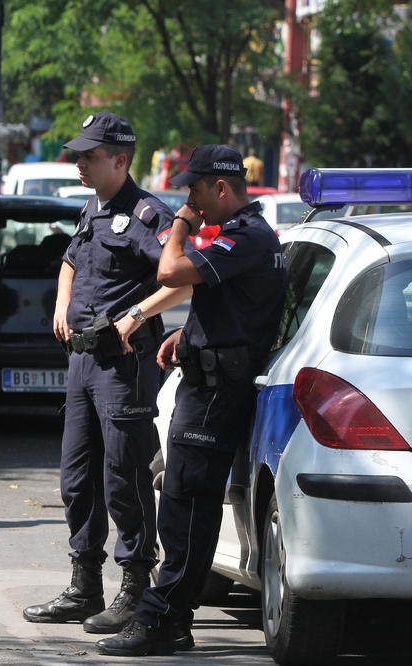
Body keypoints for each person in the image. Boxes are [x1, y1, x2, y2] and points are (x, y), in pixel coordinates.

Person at [96, 145, 286, 656]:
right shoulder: (241, 238)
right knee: (184, 500)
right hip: (207, 383)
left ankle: (164, 619)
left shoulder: (245, 237)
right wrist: (190, 336)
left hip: (215, 396)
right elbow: (237, 305)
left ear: (220, 188)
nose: (190, 200)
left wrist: (178, 221)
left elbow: (168, 271)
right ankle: (170, 619)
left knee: (186, 508)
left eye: (194, 190)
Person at [22, 113, 191, 634]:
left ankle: (136, 587)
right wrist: (62, 301)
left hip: (124, 366)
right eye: (78, 155)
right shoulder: (93, 209)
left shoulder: (146, 215)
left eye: (89, 156)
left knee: (124, 477)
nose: (78, 163)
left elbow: (185, 280)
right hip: (82, 362)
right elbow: (71, 260)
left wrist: (136, 316)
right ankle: (84, 585)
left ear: (120, 160)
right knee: (77, 478)